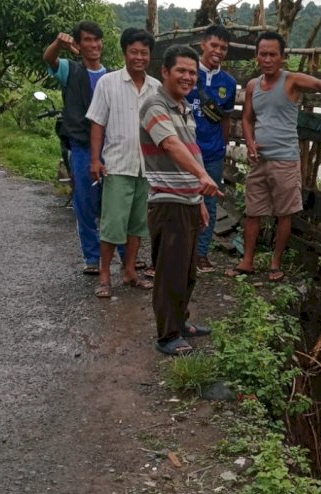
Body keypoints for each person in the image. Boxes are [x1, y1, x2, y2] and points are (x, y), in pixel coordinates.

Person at [225, 31, 321, 282]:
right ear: (257, 56)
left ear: (282, 57)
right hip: (259, 161)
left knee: (284, 213)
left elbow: (317, 84)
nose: (268, 59)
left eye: (273, 54)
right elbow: (248, 119)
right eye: (263, 54)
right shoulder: (253, 86)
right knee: (253, 212)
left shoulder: (291, 81)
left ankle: (275, 263)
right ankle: (247, 261)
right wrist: (249, 144)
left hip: (285, 160)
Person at [140, 45, 222, 356]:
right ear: (165, 72)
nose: (188, 77)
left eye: (192, 72)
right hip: (168, 202)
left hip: (187, 201)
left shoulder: (185, 107)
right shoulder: (155, 105)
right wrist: (203, 176)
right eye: (181, 71)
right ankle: (167, 336)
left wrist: (198, 197)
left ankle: (182, 321)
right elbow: (172, 145)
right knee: (169, 273)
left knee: (187, 273)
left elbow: (189, 148)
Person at [43, 21, 127, 276]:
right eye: (87, 40)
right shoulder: (71, 70)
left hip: (112, 149)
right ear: (78, 45)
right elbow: (49, 58)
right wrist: (58, 43)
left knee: (117, 204)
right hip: (80, 147)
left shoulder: (113, 76)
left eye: (97, 39)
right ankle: (93, 258)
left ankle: (126, 257)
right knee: (86, 204)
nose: (93, 44)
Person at [86, 28, 160, 298]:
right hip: (117, 165)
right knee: (112, 224)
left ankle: (130, 271)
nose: (139, 57)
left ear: (150, 55)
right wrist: (95, 158)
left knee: (137, 225)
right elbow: (97, 122)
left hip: (147, 168)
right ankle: (105, 276)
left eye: (144, 52)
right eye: (134, 52)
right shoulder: (108, 82)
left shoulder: (156, 87)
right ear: (124, 53)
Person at [186, 25, 237, 273]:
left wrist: (223, 146)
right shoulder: (187, 73)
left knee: (211, 202)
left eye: (223, 48)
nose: (218, 51)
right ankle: (179, 253)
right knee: (182, 200)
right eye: (214, 45)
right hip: (185, 151)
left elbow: (226, 118)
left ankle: (201, 254)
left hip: (213, 152)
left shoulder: (228, 82)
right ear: (203, 44)